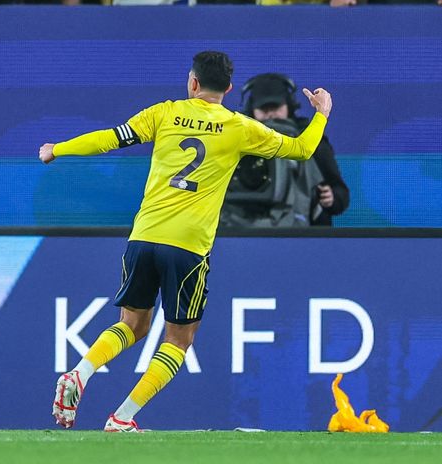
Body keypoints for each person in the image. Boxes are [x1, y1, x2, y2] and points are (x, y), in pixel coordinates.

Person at [39, 51, 332, 432]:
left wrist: (57, 149)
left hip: (143, 236)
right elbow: (302, 150)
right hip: (189, 247)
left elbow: (109, 139)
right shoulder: (239, 127)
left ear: (192, 82)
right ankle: (122, 417)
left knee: (132, 323)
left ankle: (80, 372)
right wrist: (321, 112)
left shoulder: (163, 113)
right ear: (228, 88)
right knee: (178, 339)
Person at [241, 73, 349, 225]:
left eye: (276, 107)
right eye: (264, 109)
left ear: (289, 105)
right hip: (243, 229)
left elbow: (341, 192)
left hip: (304, 235)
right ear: (251, 109)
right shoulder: (239, 137)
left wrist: (332, 198)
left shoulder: (309, 136)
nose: (271, 114)